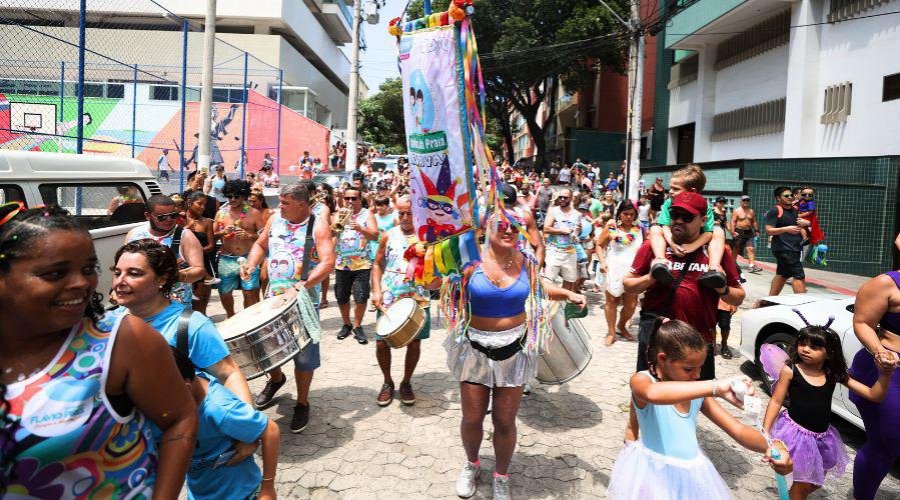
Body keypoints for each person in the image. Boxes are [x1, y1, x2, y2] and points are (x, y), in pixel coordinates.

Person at [0, 204, 197, 498]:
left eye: (89, 268)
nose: (82, 283)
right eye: (55, 273)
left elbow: (180, 418)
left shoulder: (121, 340)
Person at [446, 211, 587, 499]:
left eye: (515, 227)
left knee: (504, 421)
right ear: (486, 228)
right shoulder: (469, 261)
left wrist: (568, 294)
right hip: (475, 349)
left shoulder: (525, 261)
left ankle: (501, 475)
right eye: (502, 226)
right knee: (472, 417)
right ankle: (472, 463)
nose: (509, 231)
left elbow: (540, 287)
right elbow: (446, 288)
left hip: (513, 350)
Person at [607, 319, 793, 499]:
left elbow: (738, 430)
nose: (696, 375)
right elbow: (651, 393)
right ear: (663, 359)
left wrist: (773, 446)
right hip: (652, 475)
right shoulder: (642, 381)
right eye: (688, 369)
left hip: (691, 475)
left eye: (700, 368)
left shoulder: (696, 392)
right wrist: (716, 387)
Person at [241, 181, 336, 433]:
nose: (279, 206)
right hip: (273, 298)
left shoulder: (318, 225)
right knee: (268, 346)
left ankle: (302, 403)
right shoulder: (274, 221)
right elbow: (260, 245)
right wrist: (252, 263)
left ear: (302, 205)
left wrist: (301, 286)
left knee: (304, 356)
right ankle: (276, 379)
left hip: (302, 300)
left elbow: (328, 262)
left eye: (284, 203)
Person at [762, 319, 894, 499]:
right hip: (796, 435)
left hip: (823, 437)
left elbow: (874, 395)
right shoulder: (791, 370)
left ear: (829, 353)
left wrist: (885, 374)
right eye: (802, 343)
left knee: (814, 482)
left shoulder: (833, 374)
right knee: (801, 486)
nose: (806, 349)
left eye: (815, 347)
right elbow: (776, 401)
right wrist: (766, 431)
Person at [624, 192, 745, 380]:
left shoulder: (716, 252)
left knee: (694, 400)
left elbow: (739, 296)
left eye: (687, 217)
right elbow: (628, 285)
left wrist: (722, 289)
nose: (679, 221)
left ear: (703, 220)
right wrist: (651, 277)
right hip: (658, 339)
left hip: (697, 342)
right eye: (674, 215)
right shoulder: (656, 247)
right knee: (645, 394)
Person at [171, 348, 280, 500]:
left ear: (186, 388)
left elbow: (271, 431)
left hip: (242, 494)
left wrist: (267, 488)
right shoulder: (185, 391)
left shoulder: (219, 409)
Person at [370, 197, 437, 406]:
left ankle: (406, 382)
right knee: (382, 342)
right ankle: (387, 382)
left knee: (414, 342)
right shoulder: (388, 235)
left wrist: (434, 283)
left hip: (417, 297)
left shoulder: (428, 238)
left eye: (410, 213)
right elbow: (377, 265)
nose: (405, 218)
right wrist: (377, 291)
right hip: (390, 295)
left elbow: (437, 271)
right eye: (401, 214)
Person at [850, 267, 900, 500]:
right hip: (889, 371)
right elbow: (862, 322)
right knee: (885, 443)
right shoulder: (886, 284)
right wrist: (881, 353)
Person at [649, 165, 727, 290]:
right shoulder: (669, 202)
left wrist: (692, 246)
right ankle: (660, 261)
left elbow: (708, 232)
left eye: (675, 188)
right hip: (675, 238)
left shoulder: (704, 206)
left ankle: (714, 268)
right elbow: (664, 226)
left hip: (695, 239)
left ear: (692, 191)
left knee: (718, 231)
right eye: (670, 187)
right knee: (655, 229)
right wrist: (673, 244)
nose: (670, 191)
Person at [125, 194, 206, 304]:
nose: (169, 219)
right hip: (140, 304)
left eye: (173, 215)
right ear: (148, 216)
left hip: (173, 306)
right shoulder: (134, 234)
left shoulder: (185, 236)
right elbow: (122, 266)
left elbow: (199, 270)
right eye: (162, 217)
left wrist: (177, 275)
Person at [333, 187, 379, 344]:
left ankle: (358, 326)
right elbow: (331, 233)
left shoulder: (367, 214)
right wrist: (338, 223)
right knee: (341, 296)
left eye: (354, 198)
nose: (350, 201)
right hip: (342, 264)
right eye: (347, 198)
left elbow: (375, 235)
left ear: (360, 199)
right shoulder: (340, 213)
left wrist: (361, 228)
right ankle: (346, 324)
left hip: (362, 263)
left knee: (361, 296)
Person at [214, 180, 265, 317]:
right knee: (224, 292)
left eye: (236, 196)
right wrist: (222, 232)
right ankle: (230, 316)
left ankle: (249, 320)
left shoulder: (254, 213)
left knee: (250, 292)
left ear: (243, 196)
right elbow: (212, 236)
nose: (232, 199)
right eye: (229, 196)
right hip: (227, 259)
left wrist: (249, 235)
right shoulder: (221, 214)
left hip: (248, 258)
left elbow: (264, 237)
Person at [597, 200, 644, 346]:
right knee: (611, 301)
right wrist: (603, 262)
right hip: (614, 268)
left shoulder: (640, 229)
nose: (629, 217)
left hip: (633, 271)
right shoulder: (612, 227)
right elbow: (599, 245)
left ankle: (621, 325)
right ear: (619, 214)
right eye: (625, 214)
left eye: (632, 214)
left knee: (631, 305)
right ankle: (611, 332)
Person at [765, 186, 811, 296]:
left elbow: (803, 223)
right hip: (784, 248)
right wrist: (786, 229)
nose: (790, 197)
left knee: (783, 273)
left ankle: (769, 300)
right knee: (799, 274)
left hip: (793, 247)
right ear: (778, 198)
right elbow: (769, 230)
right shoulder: (775, 210)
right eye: (786, 196)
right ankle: (802, 303)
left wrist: (806, 223)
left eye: (791, 195)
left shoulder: (795, 210)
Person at [183, 190, 218, 314]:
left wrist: (195, 254)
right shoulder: (178, 219)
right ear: (189, 203)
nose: (202, 207)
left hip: (202, 266)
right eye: (199, 203)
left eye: (205, 204)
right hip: (183, 267)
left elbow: (211, 246)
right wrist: (187, 228)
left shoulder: (207, 222)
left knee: (199, 302)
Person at [542, 188, 581, 291]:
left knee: (569, 280)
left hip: (570, 251)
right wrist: (562, 231)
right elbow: (546, 228)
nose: (562, 199)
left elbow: (577, 233)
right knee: (549, 280)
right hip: (554, 250)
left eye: (565, 197)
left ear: (571, 198)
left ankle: (563, 304)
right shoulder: (553, 211)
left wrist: (579, 231)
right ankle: (549, 304)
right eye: (560, 197)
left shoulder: (577, 214)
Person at [731, 195, 761, 273]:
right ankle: (732, 263)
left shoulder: (751, 211)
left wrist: (756, 230)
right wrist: (732, 231)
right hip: (739, 231)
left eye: (747, 200)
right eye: (744, 200)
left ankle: (751, 266)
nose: (746, 202)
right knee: (736, 248)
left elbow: (754, 221)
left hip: (749, 232)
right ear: (741, 202)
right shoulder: (737, 211)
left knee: (750, 249)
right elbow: (733, 221)